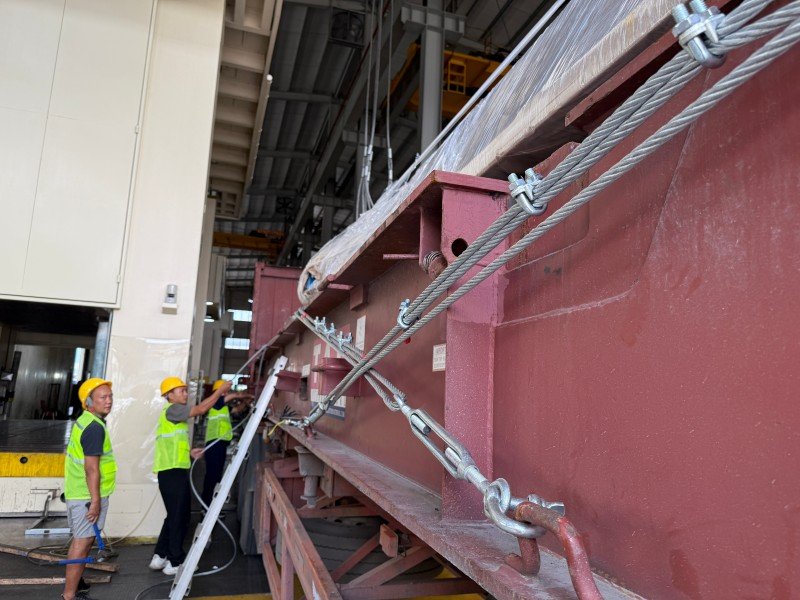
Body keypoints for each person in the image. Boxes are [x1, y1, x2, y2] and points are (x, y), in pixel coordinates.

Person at [149, 376, 231, 575]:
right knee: (180, 516)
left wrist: (189, 452)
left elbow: (172, 444)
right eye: (181, 391)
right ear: (170, 395)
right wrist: (220, 392)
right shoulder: (173, 409)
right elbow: (201, 409)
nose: (185, 394)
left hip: (171, 471)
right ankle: (175, 561)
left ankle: (160, 556)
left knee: (174, 515)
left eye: (186, 390)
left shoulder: (172, 414)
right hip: (172, 473)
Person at [61, 378, 116, 600]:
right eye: (103, 397)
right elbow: (92, 469)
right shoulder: (94, 428)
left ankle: (77, 583)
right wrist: (95, 501)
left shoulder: (86, 420)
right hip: (87, 496)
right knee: (82, 543)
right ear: (89, 402)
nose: (109, 401)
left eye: (110, 396)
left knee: (83, 540)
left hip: (80, 492)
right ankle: (69, 595)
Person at [200, 379, 253, 507]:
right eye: (225, 391)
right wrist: (247, 395)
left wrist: (246, 402)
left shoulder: (223, 407)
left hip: (220, 445)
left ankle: (211, 507)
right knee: (212, 477)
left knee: (216, 476)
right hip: (214, 444)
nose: (227, 394)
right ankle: (206, 506)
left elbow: (237, 409)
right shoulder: (216, 402)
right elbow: (234, 396)